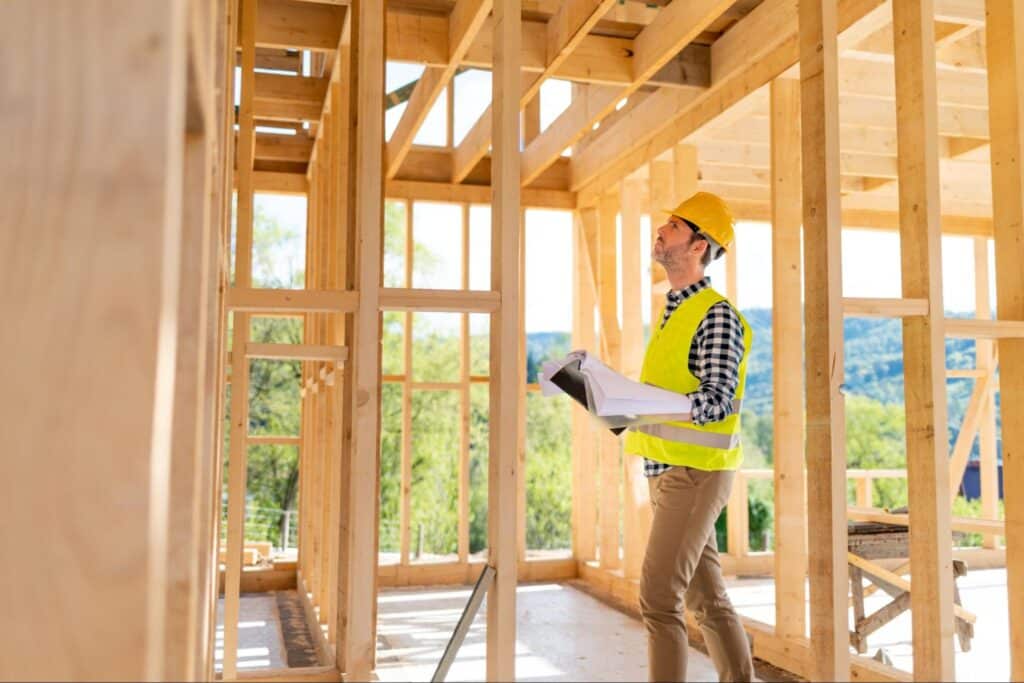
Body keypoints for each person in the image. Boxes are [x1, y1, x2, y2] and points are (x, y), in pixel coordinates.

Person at [623, 191, 755, 682]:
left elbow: (717, 399)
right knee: (706, 596)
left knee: (658, 598)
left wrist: (642, 404)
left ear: (698, 245)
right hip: (665, 468)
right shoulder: (673, 312)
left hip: (694, 473)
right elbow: (672, 397)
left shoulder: (715, 315)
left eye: (674, 227)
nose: (661, 232)